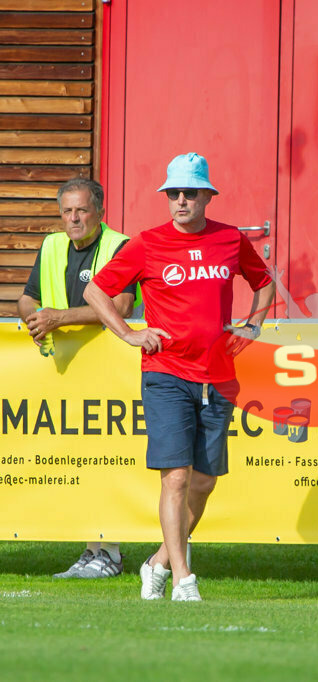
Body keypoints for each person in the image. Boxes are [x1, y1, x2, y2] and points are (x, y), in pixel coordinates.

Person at [84, 153, 275, 602]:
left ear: (208, 195)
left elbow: (263, 280)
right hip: (165, 374)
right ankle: (184, 580)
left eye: (191, 192)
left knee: (204, 483)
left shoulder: (230, 239)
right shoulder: (147, 243)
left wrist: (253, 326)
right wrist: (129, 333)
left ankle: (157, 563)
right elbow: (96, 290)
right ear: (166, 197)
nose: (182, 200)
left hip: (218, 377)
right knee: (175, 477)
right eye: (174, 193)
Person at [17, 178, 136, 579]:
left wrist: (58, 318)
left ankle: (112, 552)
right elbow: (27, 296)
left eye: (82, 210)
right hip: (66, 372)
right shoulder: (51, 246)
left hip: (108, 369)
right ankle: (92, 549)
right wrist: (34, 317)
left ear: (100, 212)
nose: (74, 218)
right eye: (67, 211)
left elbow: (120, 305)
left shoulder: (119, 246)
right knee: (81, 459)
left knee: (108, 458)